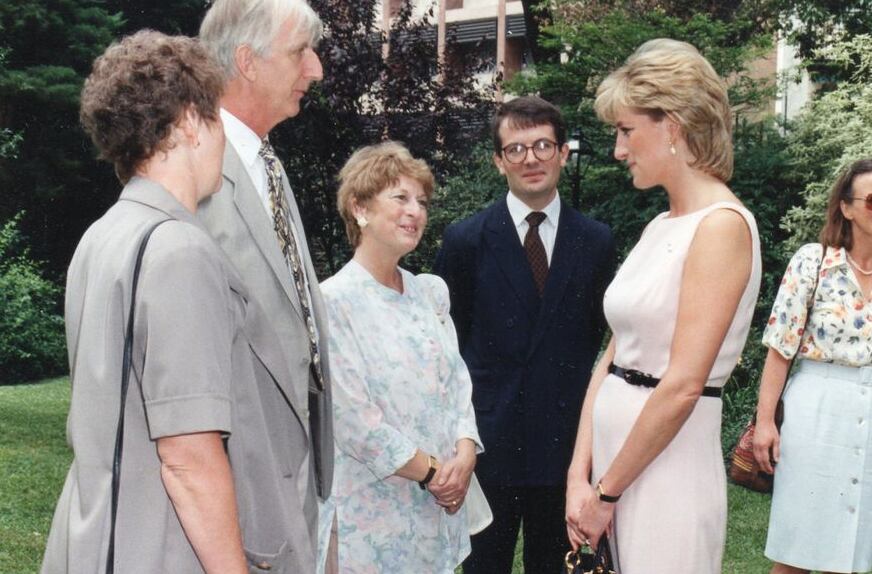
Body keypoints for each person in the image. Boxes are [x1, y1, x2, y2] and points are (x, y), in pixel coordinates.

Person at [42, 31, 313, 573]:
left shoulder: (102, 237)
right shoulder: (180, 249)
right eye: (215, 119)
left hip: (97, 540)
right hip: (162, 551)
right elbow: (188, 456)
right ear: (190, 122)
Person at [564, 38, 762, 574]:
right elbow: (612, 357)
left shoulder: (722, 227)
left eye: (626, 130)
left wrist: (603, 495)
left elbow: (682, 386)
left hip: (667, 472)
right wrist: (578, 477)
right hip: (613, 469)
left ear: (672, 125)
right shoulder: (660, 224)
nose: (618, 149)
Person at [433, 95, 616, 573]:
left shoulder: (596, 242)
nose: (530, 158)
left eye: (542, 145)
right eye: (515, 149)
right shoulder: (466, 241)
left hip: (565, 444)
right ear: (498, 161)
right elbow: (448, 348)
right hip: (488, 444)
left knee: (556, 566)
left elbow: (600, 338)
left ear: (563, 153)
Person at [197, 0, 333, 564]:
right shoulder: (195, 171)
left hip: (289, 477)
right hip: (241, 487)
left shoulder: (265, 165)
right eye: (301, 52)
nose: (317, 69)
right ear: (248, 62)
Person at [317, 141, 482, 572]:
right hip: (371, 516)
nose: (416, 211)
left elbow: (456, 385)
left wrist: (465, 454)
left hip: (437, 511)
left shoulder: (430, 292)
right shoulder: (332, 301)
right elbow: (352, 419)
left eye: (422, 201)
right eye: (400, 198)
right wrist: (434, 474)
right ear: (359, 208)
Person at [753, 159, 872, 574]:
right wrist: (765, 422)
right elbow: (780, 347)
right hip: (818, 409)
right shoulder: (813, 261)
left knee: (857, 551)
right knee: (799, 547)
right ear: (847, 207)